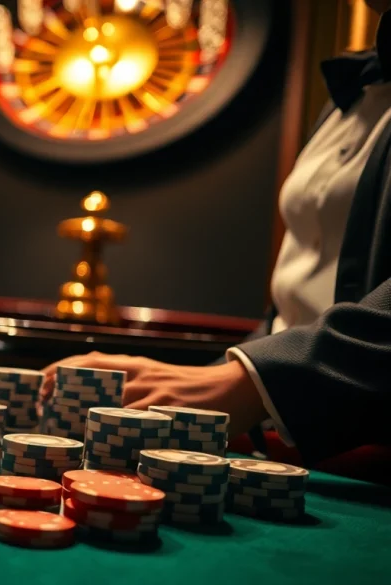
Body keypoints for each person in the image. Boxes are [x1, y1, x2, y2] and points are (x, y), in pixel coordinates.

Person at [43, 0, 391, 468]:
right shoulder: (346, 99)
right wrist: (212, 377)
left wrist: (250, 382)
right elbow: (303, 294)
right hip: (289, 445)